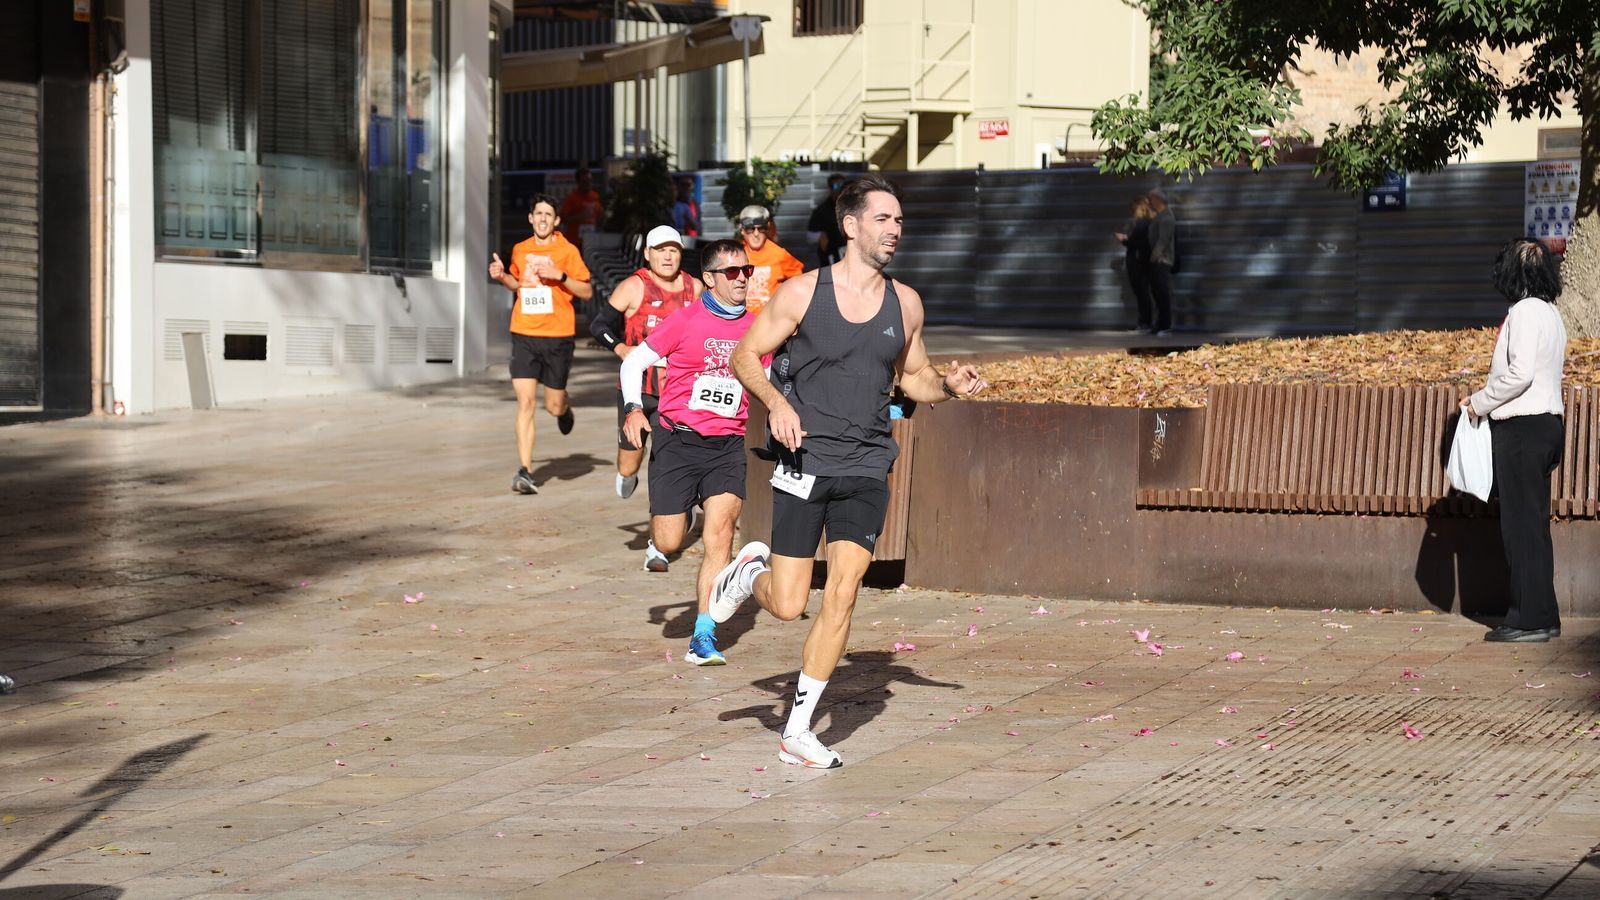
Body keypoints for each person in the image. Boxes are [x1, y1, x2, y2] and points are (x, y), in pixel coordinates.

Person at [714, 174, 988, 768]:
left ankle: (798, 730)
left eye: (899, 222)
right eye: (883, 220)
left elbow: (913, 376)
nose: (894, 231)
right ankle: (751, 570)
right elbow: (744, 355)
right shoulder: (800, 293)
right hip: (804, 460)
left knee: (842, 594)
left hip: (866, 463)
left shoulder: (906, 303)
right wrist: (779, 404)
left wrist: (947, 385)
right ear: (851, 226)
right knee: (789, 605)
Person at [617, 238, 772, 666]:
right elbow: (632, 363)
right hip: (676, 441)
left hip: (726, 445)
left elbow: (774, 375)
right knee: (669, 540)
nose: (743, 278)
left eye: (748, 271)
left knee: (720, 532)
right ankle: (668, 525)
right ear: (709, 278)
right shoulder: (684, 321)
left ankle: (704, 634)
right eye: (733, 272)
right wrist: (633, 409)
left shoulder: (759, 327)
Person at [1462, 238, 1569, 643]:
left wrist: (1479, 402)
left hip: (1522, 428)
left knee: (1520, 528)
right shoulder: (1551, 314)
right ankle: (1543, 613)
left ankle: (1529, 619)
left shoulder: (1523, 312)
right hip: (1546, 424)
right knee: (1533, 526)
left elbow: (1519, 373)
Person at [590, 225, 702, 571]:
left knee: (668, 467)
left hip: (678, 394)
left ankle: (658, 545)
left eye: (674, 250)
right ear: (648, 254)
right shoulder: (634, 286)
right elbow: (599, 325)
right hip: (638, 390)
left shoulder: (694, 288)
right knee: (630, 463)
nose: (668, 256)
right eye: (661, 250)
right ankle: (627, 473)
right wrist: (622, 347)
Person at [488, 193, 594, 494]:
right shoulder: (520, 250)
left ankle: (564, 409)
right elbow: (518, 285)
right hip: (524, 333)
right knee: (525, 402)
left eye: (549, 214)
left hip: (558, 335)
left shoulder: (567, 250)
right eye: (539, 214)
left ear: (556, 220)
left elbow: (586, 291)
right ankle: (525, 470)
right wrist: (503, 277)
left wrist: (559, 275)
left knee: (552, 404)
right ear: (531, 218)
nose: (543, 219)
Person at [736, 205, 804, 316]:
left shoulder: (779, 254)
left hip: (770, 321)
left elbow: (800, 283)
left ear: (767, 227)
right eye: (750, 229)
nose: (756, 234)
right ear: (742, 230)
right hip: (741, 320)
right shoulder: (735, 254)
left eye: (761, 228)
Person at [1114, 195, 1155, 333]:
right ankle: (1144, 323)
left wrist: (1124, 240)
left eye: (1133, 210)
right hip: (1141, 262)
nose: (1132, 213)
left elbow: (1136, 242)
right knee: (1142, 294)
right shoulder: (1146, 223)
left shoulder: (1143, 223)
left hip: (1139, 263)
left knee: (1142, 293)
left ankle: (1145, 324)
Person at [1145, 189, 1177, 336]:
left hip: (1162, 261)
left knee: (1162, 294)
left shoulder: (1167, 217)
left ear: (1158, 200)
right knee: (1157, 293)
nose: (1150, 203)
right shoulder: (1161, 216)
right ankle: (1159, 325)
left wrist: (1154, 257)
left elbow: (1163, 240)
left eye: (1151, 199)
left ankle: (1166, 326)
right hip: (1157, 260)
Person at [807, 173, 848, 265]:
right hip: (831, 258)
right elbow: (810, 235)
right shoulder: (821, 210)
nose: (840, 189)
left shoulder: (854, 206)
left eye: (842, 185)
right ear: (830, 188)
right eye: (836, 186)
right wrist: (820, 236)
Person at [559, 167, 604, 250]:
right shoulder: (572, 198)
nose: (588, 183)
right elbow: (562, 219)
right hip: (575, 242)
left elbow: (599, 214)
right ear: (578, 182)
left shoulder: (595, 196)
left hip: (591, 240)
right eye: (584, 181)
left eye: (590, 180)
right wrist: (579, 217)